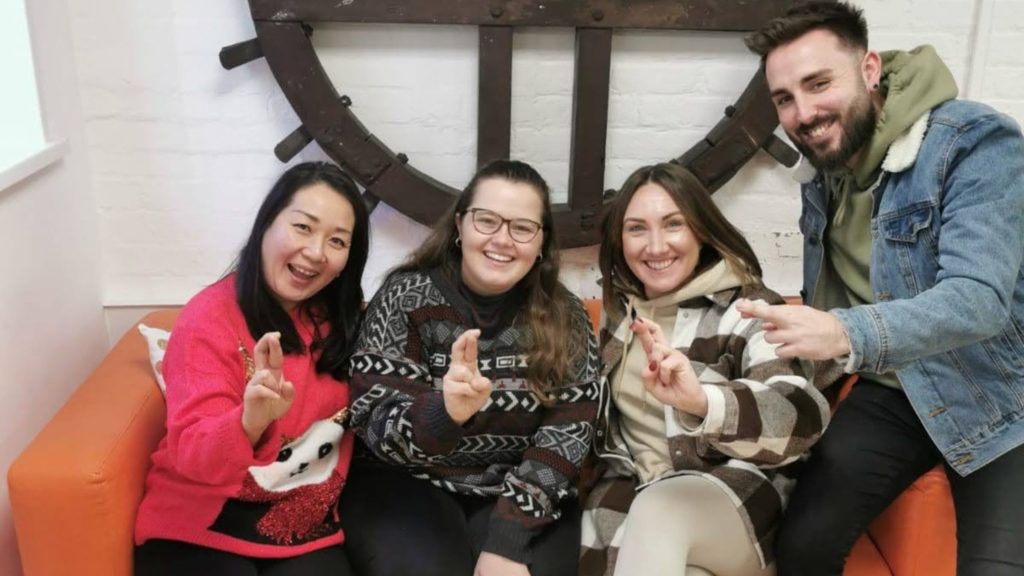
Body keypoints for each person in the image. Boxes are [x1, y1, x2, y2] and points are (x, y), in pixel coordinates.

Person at [742, 3, 1024, 574]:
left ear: (870, 70)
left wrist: (844, 331)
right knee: (800, 547)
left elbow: (979, 301)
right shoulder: (826, 169)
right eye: (785, 98)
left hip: (997, 392)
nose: (804, 113)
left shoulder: (975, 142)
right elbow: (832, 293)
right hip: (892, 390)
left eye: (819, 84)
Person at [341, 159, 601, 576]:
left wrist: (508, 540)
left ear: (541, 244)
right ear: (460, 226)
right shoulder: (406, 296)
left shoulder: (565, 314)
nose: (502, 240)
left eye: (522, 227)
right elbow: (373, 420)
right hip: (406, 482)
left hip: (520, 488)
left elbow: (568, 436)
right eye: (487, 221)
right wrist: (444, 413)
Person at [578, 162, 831, 576]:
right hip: (627, 506)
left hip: (730, 504)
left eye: (673, 224)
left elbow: (799, 414)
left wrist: (701, 401)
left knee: (661, 508)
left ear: (701, 228)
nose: (656, 246)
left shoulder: (748, 310)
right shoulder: (617, 316)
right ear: (619, 240)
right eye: (637, 228)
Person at [133, 161, 370, 575]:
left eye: (337, 240)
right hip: (196, 524)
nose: (315, 252)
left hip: (301, 530)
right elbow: (194, 458)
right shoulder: (208, 318)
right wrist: (248, 423)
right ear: (267, 224)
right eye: (302, 227)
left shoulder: (347, 323)